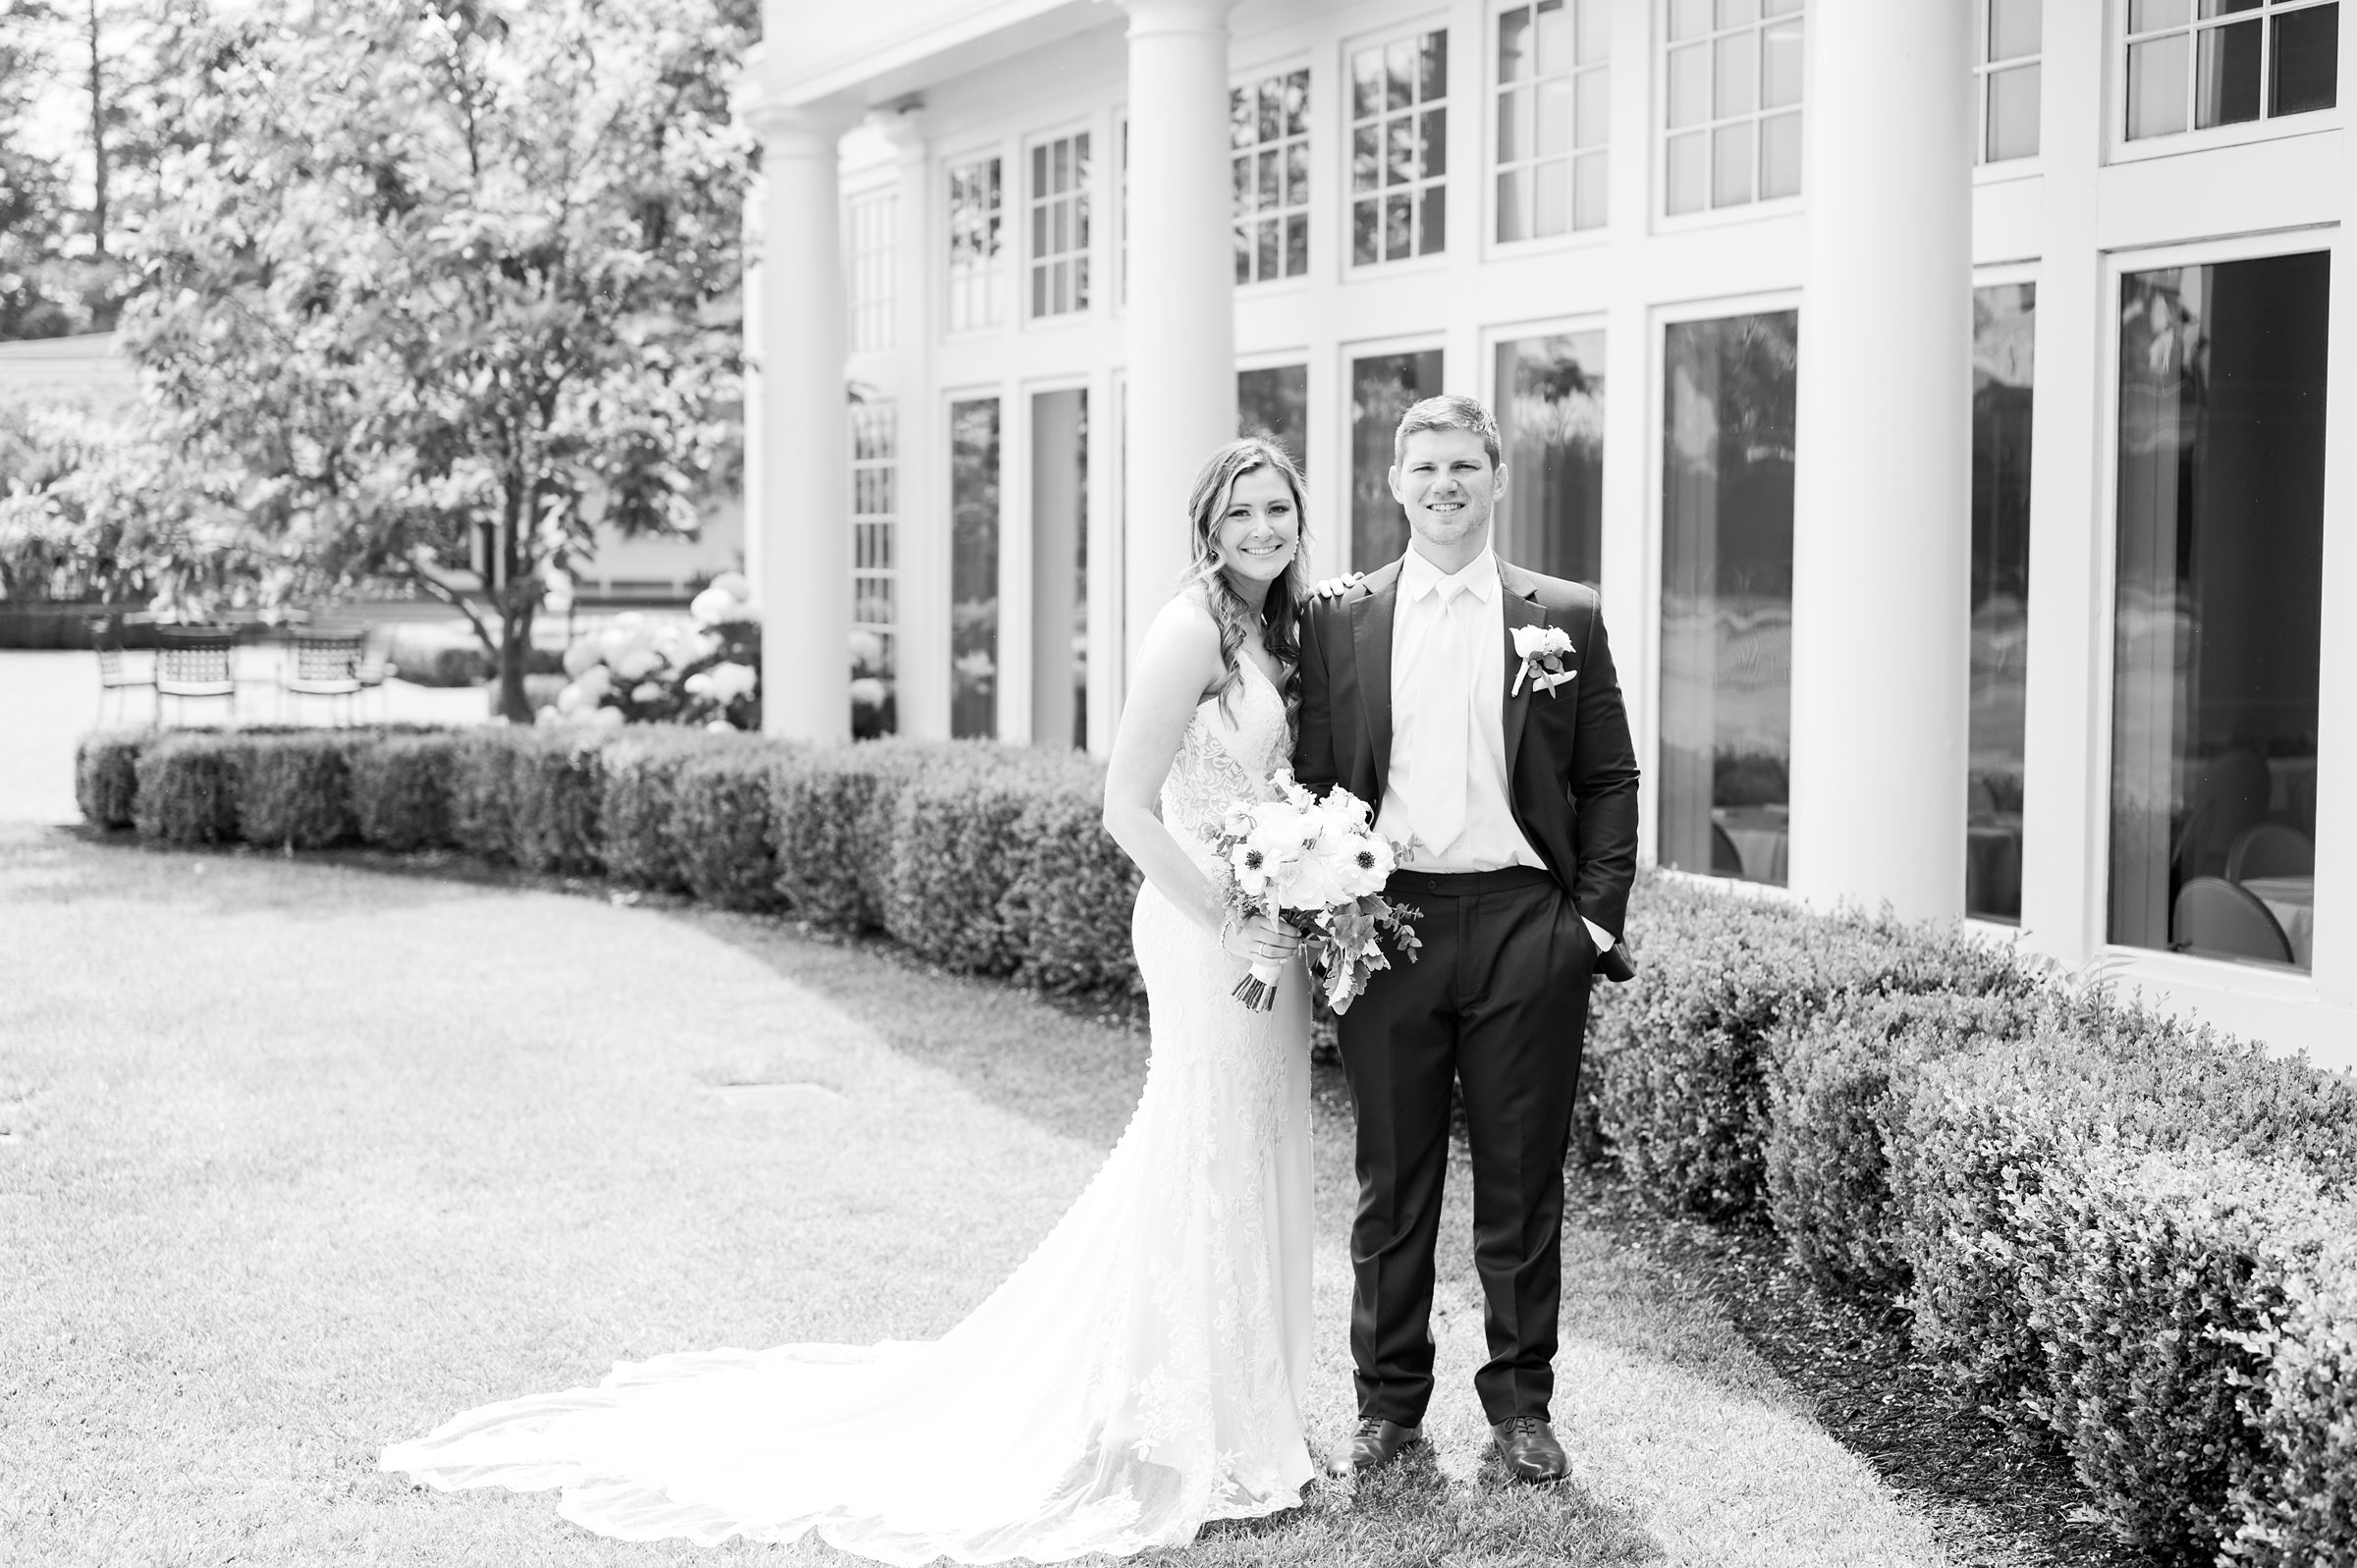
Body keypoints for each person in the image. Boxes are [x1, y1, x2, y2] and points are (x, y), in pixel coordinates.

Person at [378, 438, 1321, 1561]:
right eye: (1245, 511)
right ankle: (1177, 1417)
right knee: (1201, 1150)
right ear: (1209, 527)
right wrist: (1228, 911)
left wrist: (1300, 884)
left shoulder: (1274, 633)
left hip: (1274, 930)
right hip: (1206, 924)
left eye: (1280, 508)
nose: (1265, 526)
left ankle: (1246, 1406)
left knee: (1250, 1149)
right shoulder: (1188, 630)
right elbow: (1125, 803)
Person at [1293, 395, 1638, 1486]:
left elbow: (1609, 776)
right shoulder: (1338, 616)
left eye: (1464, 468)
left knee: (1523, 1183)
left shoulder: (1564, 615)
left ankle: (1521, 1408)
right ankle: (1388, 1408)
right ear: (1394, 485)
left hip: (1524, 925)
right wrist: (1320, 906)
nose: (1444, 485)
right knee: (1393, 1184)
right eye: (1424, 468)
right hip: (1386, 924)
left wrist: (1587, 922)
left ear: (1496, 482)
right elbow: (1310, 778)